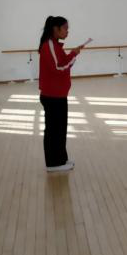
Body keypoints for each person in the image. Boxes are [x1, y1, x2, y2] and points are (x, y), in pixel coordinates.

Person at [38, 16, 83, 172]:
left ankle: (61, 159)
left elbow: (63, 62)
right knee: (54, 131)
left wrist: (72, 54)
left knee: (59, 129)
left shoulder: (55, 45)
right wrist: (73, 55)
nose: (67, 31)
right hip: (52, 96)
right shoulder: (49, 45)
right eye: (65, 28)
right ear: (55, 29)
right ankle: (53, 163)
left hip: (58, 95)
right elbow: (58, 68)